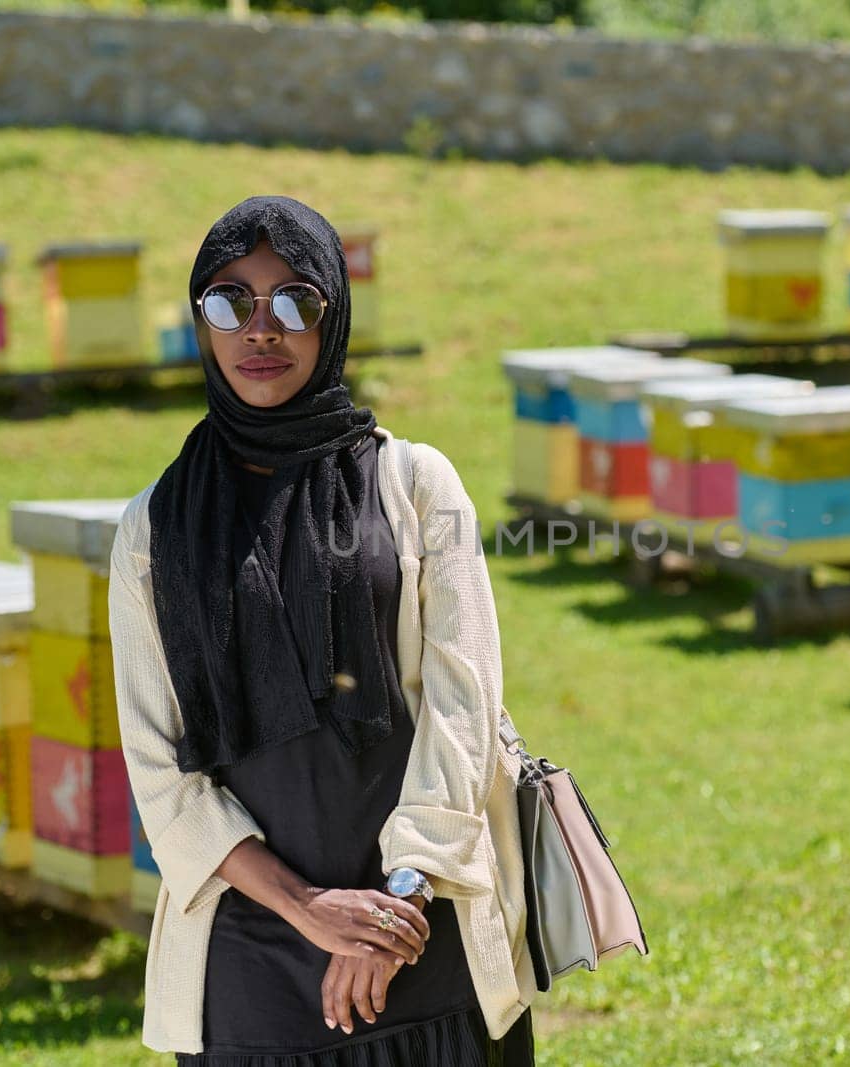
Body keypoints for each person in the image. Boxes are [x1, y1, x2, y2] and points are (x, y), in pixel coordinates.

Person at [108, 195, 537, 1064]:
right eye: (230, 300)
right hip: (250, 973)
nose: (261, 328)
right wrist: (310, 907)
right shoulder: (155, 528)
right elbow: (161, 772)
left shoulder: (416, 484)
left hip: (424, 946)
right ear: (201, 321)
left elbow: (465, 707)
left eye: (294, 300)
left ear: (332, 316)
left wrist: (393, 906)